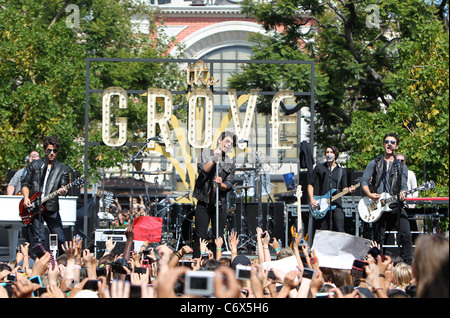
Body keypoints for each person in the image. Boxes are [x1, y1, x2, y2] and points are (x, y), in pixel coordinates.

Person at [360, 133, 413, 265]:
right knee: (378, 239)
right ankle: (376, 264)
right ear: (384, 144)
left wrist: (403, 193)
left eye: (392, 142)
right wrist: (370, 194)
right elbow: (364, 181)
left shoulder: (401, 167)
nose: (389, 144)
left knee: (406, 235)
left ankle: (407, 267)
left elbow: (403, 186)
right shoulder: (375, 163)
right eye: (387, 141)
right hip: (378, 206)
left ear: (396, 146)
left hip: (395, 206)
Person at [21, 136, 70, 258]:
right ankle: (39, 262)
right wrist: (26, 197)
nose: (52, 153)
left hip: (51, 206)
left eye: (54, 151)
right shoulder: (35, 165)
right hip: (35, 206)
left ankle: (63, 262)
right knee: (39, 238)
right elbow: (25, 183)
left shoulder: (62, 169)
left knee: (60, 237)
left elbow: (65, 186)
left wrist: (64, 190)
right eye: (49, 150)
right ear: (44, 150)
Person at [192, 131, 236, 258]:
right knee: (200, 235)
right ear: (219, 141)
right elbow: (202, 171)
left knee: (218, 236)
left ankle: (215, 263)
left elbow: (229, 184)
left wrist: (221, 184)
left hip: (219, 203)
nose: (228, 145)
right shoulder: (205, 153)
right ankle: (198, 261)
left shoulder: (230, 162)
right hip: (204, 201)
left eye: (231, 144)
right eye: (227, 141)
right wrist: (214, 159)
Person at [308, 146, 355, 234]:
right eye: (327, 152)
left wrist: (349, 190)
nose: (328, 154)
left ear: (335, 155)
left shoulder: (341, 171)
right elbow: (310, 184)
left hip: (336, 203)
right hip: (322, 203)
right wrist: (312, 199)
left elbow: (344, 188)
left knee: (340, 229)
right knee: (322, 232)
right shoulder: (319, 167)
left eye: (331, 152)